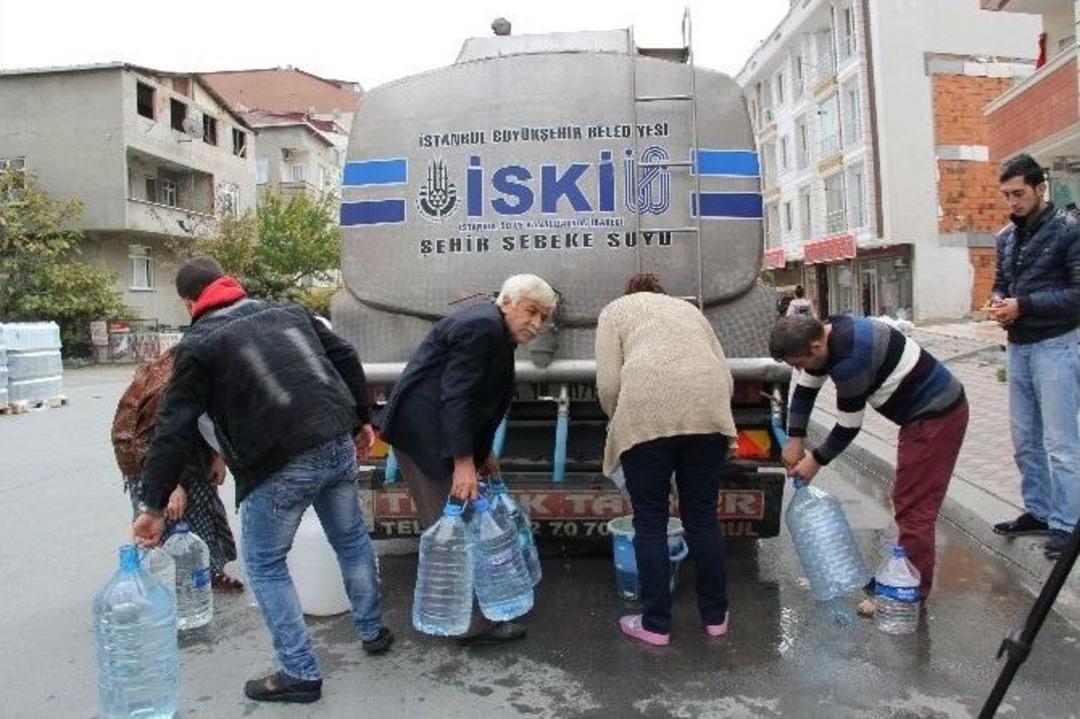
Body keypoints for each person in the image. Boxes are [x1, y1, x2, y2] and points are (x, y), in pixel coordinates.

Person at [131, 258, 390, 705]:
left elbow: (174, 426)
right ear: (232, 286)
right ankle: (373, 631)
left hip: (280, 463)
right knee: (350, 541)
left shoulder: (197, 344)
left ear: (189, 302)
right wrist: (362, 421)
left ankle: (300, 673)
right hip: (335, 442)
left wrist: (153, 506)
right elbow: (346, 355)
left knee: (266, 566)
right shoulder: (289, 311)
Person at [381, 273, 556, 645]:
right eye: (532, 312)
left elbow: (479, 399)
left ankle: (477, 614)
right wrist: (463, 462)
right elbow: (456, 396)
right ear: (507, 303)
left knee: (465, 522)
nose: (538, 323)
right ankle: (469, 625)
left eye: (544, 316)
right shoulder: (481, 328)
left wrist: (483, 451)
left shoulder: (494, 332)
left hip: (437, 434)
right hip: (426, 439)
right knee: (454, 529)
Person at [771, 315, 968, 603]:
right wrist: (795, 438)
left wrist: (815, 461)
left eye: (798, 362)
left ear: (814, 346)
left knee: (913, 508)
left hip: (936, 418)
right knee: (907, 501)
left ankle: (907, 592)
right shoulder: (829, 334)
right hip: (921, 416)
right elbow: (806, 387)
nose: (799, 370)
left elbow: (848, 426)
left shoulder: (850, 361)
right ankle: (903, 577)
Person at [595, 273, 737, 646]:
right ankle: (716, 617)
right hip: (710, 414)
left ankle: (656, 624)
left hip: (645, 416)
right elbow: (725, 374)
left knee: (651, 522)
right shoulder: (690, 311)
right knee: (703, 517)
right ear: (662, 294)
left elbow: (609, 383)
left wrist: (619, 419)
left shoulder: (616, 311)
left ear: (630, 295)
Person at [988, 153, 1080, 561]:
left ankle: (1068, 523)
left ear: (1041, 188)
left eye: (1019, 193)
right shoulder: (1005, 237)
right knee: (1025, 439)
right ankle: (1040, 511)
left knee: (1061, 442)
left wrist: (1023, 305)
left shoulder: (1069, 230)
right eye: (1006, 195)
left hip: (1057, 345)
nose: (1012, 202)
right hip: (1020, 347)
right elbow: (1000, 283)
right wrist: (996, 302)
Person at [112, 348, 242, 590]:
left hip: (189, 452)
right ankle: (164, 590)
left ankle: (209, 573)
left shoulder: (208, 365)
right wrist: (170, 486)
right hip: (147, 461)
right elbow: (148, 442)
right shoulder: (167, 387)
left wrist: (217, 455)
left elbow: (209, 418)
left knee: (203, 517)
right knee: (162, 525)